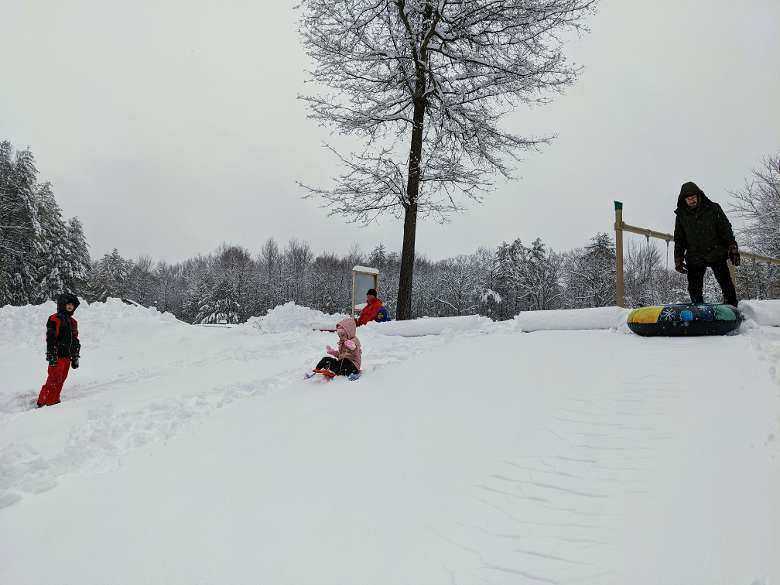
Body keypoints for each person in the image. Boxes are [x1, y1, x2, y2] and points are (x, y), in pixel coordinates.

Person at [673, 181, 740, 306]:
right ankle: (698, 310)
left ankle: (732, 307)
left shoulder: (713, 208)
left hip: (716, 251)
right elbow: (679, 239)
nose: (692, 200)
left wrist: (733, 248)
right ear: (684, 200)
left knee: (725, 282)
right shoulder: (681, 216)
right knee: (694, 287)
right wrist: (678, 259)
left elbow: (725, 229)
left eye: (693, 197)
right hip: (695, 255)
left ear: (699, 196)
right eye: (689, 199)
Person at [37, 293, 81, 407]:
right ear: (62, 304)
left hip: (67, 357)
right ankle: (43, 401)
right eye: (68, 304)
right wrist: (51, 354)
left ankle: (54, 400)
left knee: (61, 380)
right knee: (53, 379)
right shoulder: (54, 319)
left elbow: (75, 340)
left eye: (72, 305)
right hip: (57, 356)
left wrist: (75, 357)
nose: (71, 306)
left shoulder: (73, 322)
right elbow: (51, 338)